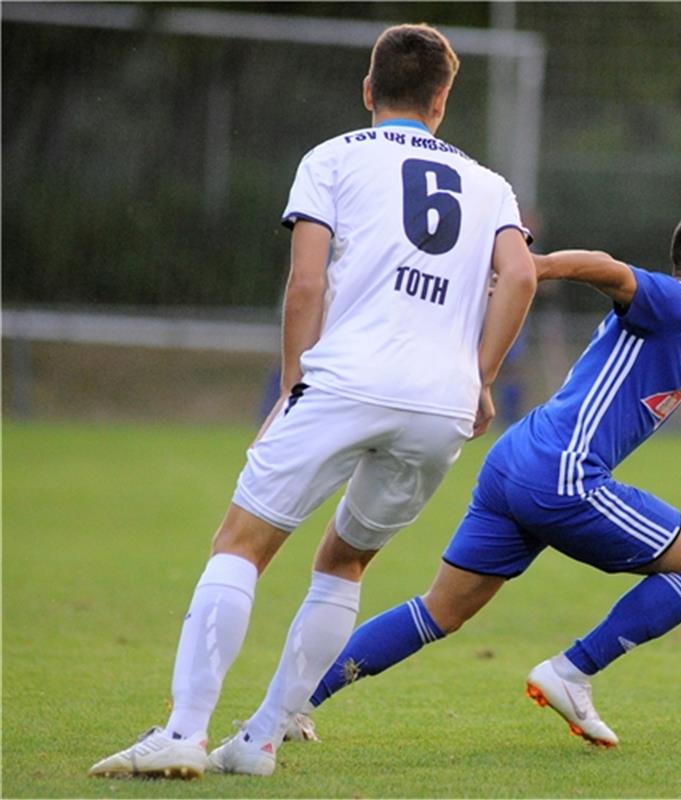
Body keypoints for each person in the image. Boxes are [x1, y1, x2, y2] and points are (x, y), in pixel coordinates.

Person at [274, 206, 681, 752]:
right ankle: (572, 672)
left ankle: (295, 702)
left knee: (440, 610)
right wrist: (534, 266)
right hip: (563, 475)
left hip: (516, 461)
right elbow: (608, 269)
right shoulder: (675, 301)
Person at [89, 23, 537, 779]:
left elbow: (306, 283)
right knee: (346, 561)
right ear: (442, 100)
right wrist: (482, 376)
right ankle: (262, 738)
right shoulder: (489, 184)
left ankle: (184, 733)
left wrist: (295, 383)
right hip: (440, 404)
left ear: (369, 90)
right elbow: (520, 278)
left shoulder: (332, 157)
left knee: (241, 545)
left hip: (346, 380)